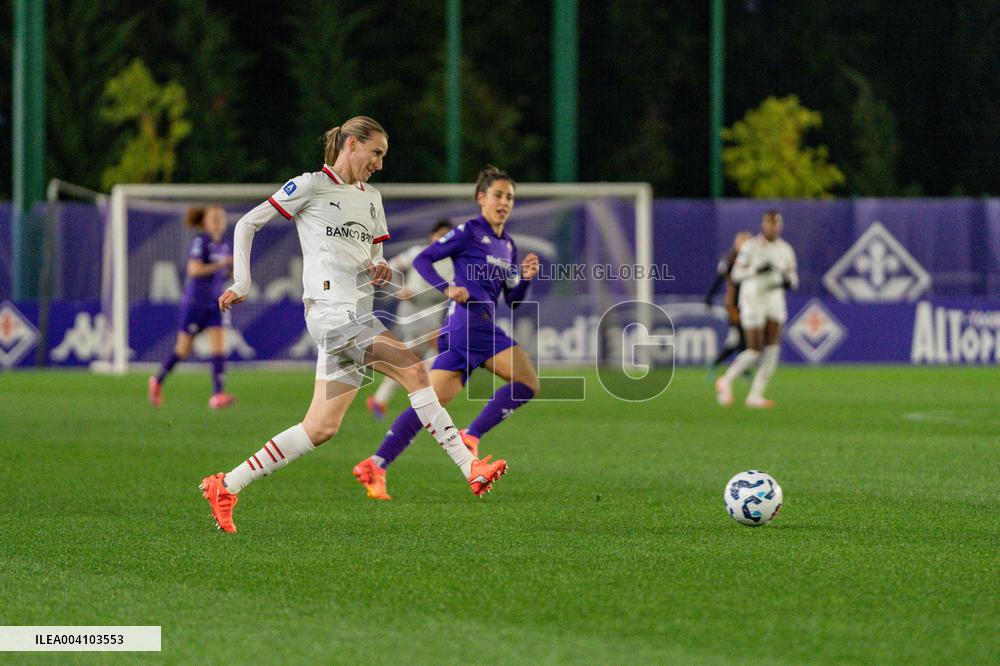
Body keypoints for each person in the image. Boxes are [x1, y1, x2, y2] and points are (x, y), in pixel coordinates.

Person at [199, 117, 507, 532]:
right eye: (375, 153)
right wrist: (242, 281)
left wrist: (380, 269)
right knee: (414, 370)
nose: (379, 163)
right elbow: (247, 223)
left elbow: (375, 260)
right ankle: (470, 466)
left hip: (357, 315)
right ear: (351, 144)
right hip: (331, 314)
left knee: (320, 427)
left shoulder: (372, 199)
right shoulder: (310, 186)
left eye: (383, 155)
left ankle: (226, 485)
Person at [353, 165, 540, 501]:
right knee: (526, 382)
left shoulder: (508, 245)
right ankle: (472, 435)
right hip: (470, 324)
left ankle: (376, 463)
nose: (504, 202)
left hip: (468, 327)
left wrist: (525, 278)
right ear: (481, 198)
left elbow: (512, 300)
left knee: (430, 405)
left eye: (510, 197)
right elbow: (424, 259)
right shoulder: (469, 231)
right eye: (498, 195)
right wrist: (447, 288)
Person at [148, 206, 235, 409]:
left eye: (220, 218)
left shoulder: (225, 246)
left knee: (219, 347)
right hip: (196, 303)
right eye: (213, 218)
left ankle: (217, 394)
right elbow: (194, 269)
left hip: (215, 303)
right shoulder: (201, 242)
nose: (217, 221)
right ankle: (157, 380)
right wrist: (222, 264)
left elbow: (224, 274)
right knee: (183, 349)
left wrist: (232, 270)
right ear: (205, 222)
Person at [365, 219, 455, 419]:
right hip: (412, 310)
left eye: (448, 236)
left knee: (413, 357)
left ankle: (380, 399)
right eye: (440, 235)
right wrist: (399, 290)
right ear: (432, 236)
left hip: (433, 309)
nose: (443, 239)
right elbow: (391, 267)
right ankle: (426, 398)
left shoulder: (453, 263)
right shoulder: (417, 252)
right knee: (437, 349)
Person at [715, 211, 798, 408]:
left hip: (774, 298)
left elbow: (793, 278)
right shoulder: (751, 246)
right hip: (753, 298)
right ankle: (726, 380)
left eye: (776, 223)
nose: (773, 227)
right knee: (754, 349)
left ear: (780, 226)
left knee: (772, 350)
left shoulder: (786, 249)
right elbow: (736, 274)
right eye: (769, 223)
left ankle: (755, 395)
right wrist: (756, 270)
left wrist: (788, 281)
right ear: (763, 224)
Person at [705, 231, 752, 374]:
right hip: (734, 304)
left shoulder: (752, 259)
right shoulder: (730, 259)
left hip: (748, 304)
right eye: (742, 242)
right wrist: (710, 297)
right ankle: (742, 369)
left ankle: (717, 363)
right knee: (742, 338)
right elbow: (719, 279)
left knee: (737, 339)